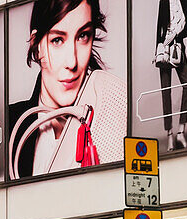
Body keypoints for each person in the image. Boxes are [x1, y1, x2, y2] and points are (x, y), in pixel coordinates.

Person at [7, 0, 126, 178]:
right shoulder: (9, 123)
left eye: (83, 36)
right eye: (57, 40)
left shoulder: (115, 116)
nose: (72, 62)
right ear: (36, 45)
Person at [156, 0, 187, 151]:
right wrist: (158, 49)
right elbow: (159, 26)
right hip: (165, 50)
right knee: (166, 91)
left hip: (178, 48)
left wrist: (184, 38)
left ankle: (181, 132)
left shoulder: (183, 1)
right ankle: (169, 135)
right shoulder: (163, 1)